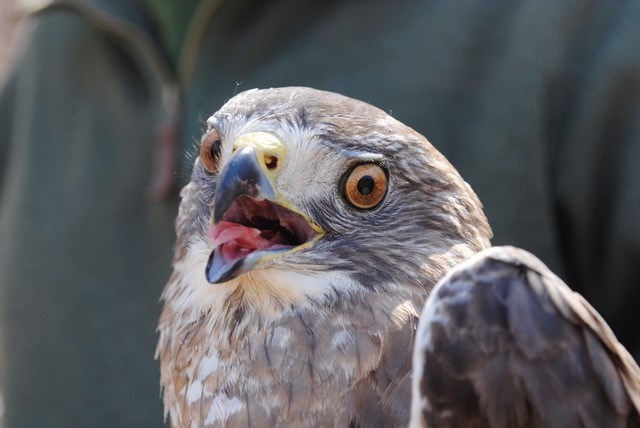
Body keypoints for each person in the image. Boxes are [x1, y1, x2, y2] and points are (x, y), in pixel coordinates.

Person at [0, 0, 638, 426]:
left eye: (363, 188)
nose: (243, 171)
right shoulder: (54, 42)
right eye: (217, 153)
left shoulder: (493, 326)